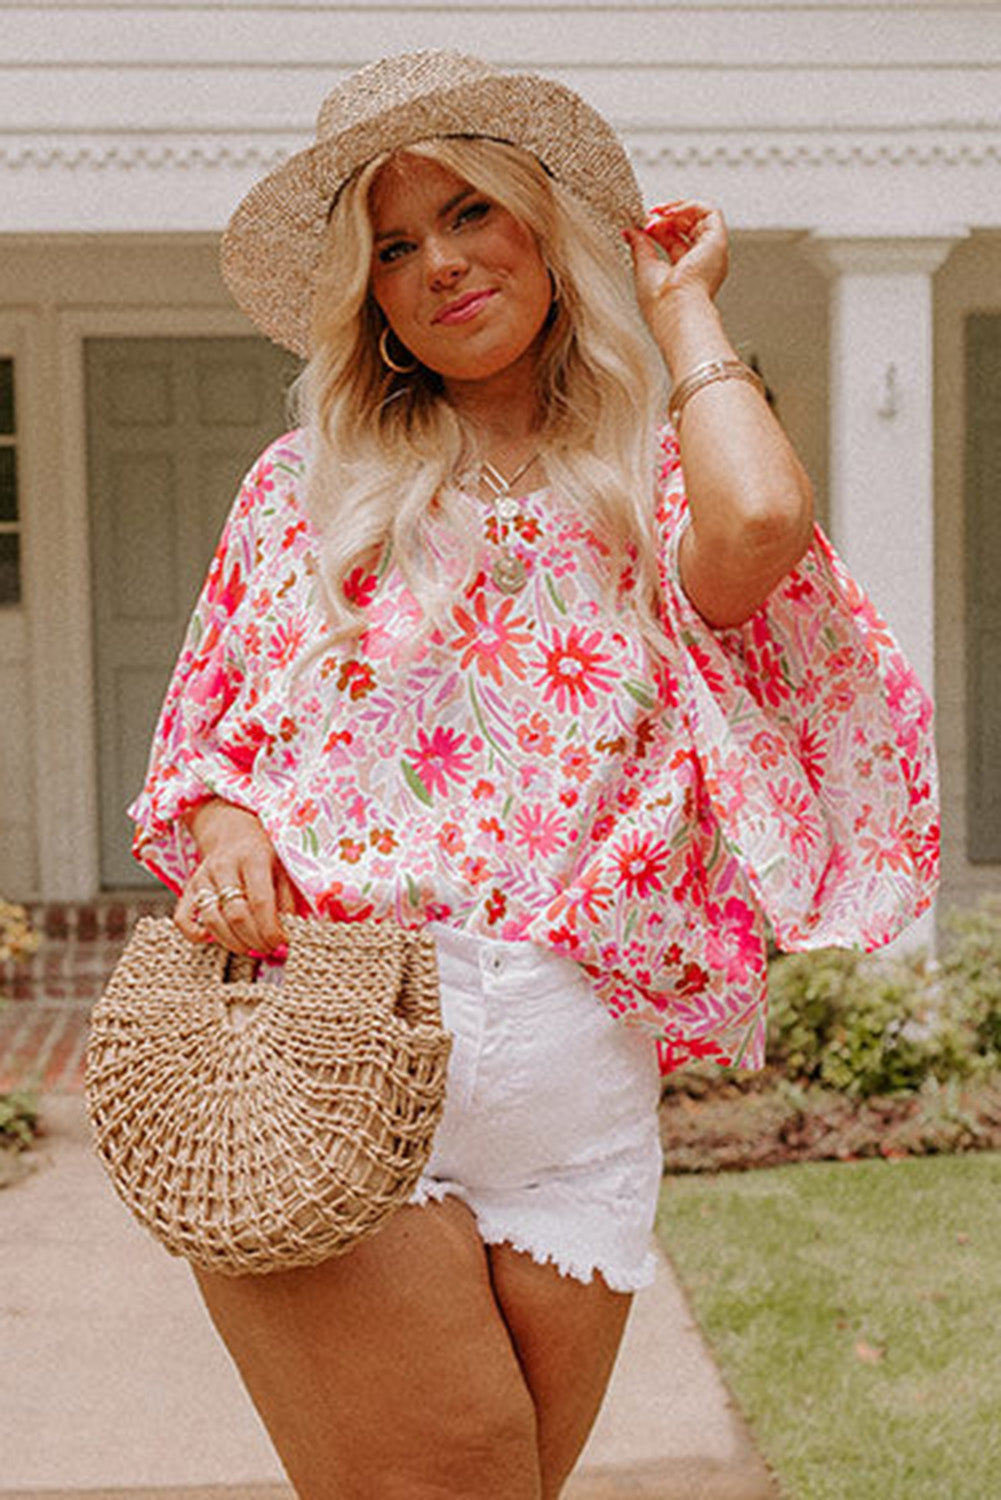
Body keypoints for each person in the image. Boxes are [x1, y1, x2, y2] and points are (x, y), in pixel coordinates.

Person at [130, 50, 938, 1500]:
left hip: (577, 1091)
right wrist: (226, 820)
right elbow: (210, 741)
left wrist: (682, 308)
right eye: (393, 245)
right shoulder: (302, 483)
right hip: (342, 1045)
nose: (438, 263)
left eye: (472, 216)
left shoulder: (651, 471)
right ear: (366, 294)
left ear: (543, 236)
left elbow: (760, 523)